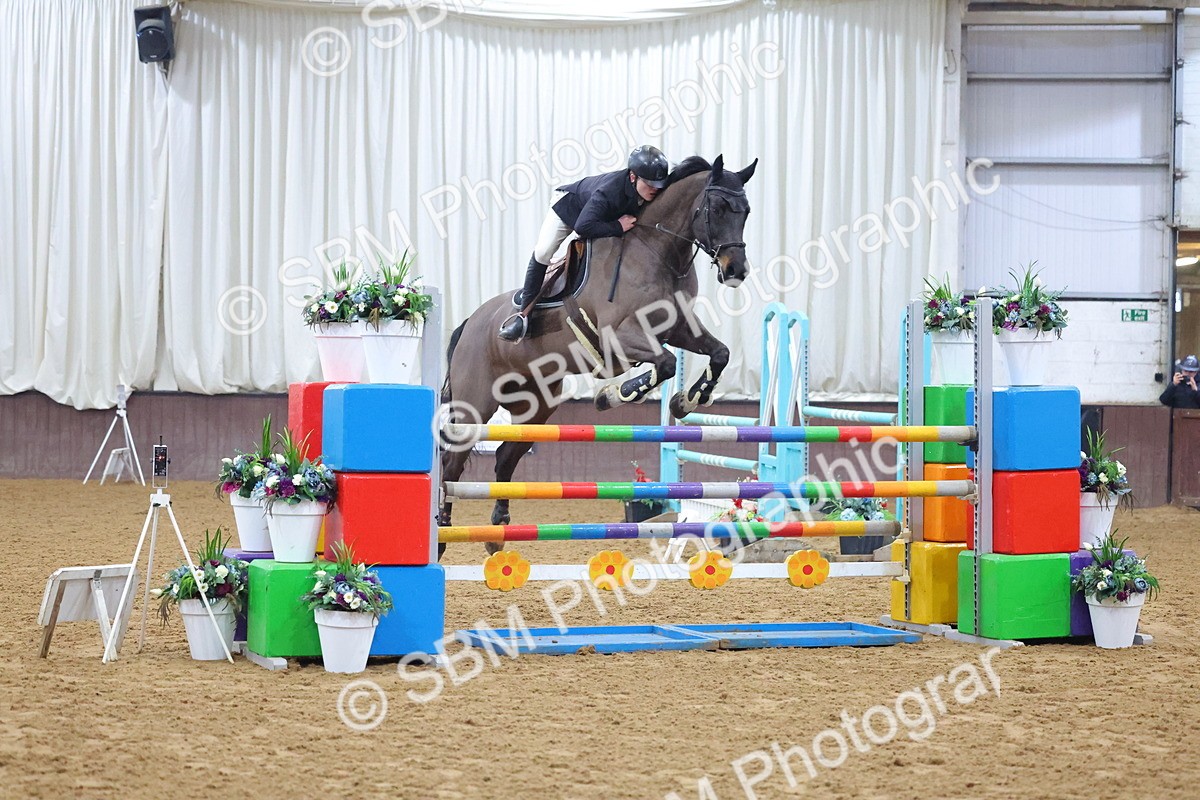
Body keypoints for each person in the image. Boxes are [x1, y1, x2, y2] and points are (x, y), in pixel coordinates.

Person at [498, 144, 670, 342]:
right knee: (544, 251)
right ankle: (523, 317)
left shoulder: (649, 189)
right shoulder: (610, 191)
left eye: (658, 185)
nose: (655, 190)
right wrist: (616, 227)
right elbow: (582, 227)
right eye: (649, 184)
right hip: (569, 208)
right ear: (633, 177)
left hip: (598, 216)